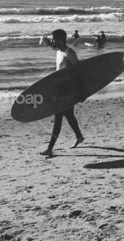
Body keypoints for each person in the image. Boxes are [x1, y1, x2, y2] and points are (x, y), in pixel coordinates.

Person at [39, 29, 84, 157]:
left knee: (58, 118)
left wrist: (81, 93)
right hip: (60, 90)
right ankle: (79, 136)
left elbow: (80, 72)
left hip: (68, 92)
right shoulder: (59, 51)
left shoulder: (70, 53)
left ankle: (50, 148)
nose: (53, 42)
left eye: (54, 39)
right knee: (69, 116)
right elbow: (53, 47)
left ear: (60, 40)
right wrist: (46, 41)